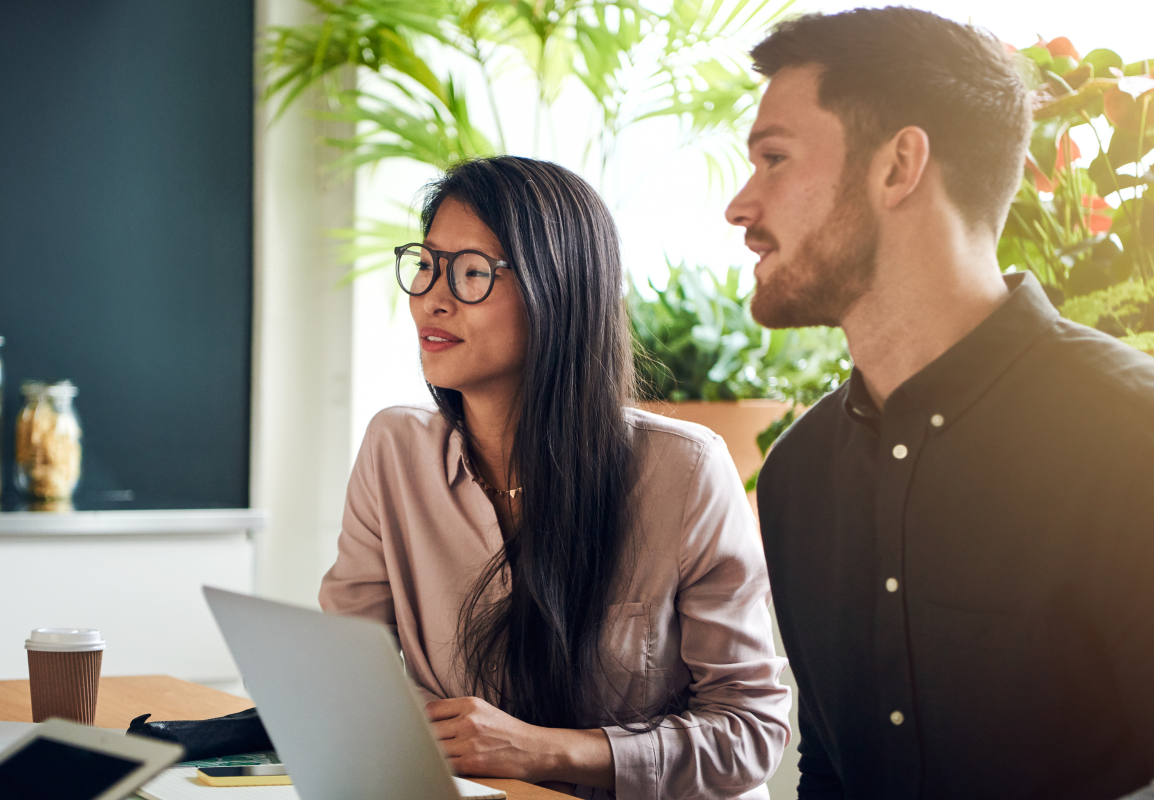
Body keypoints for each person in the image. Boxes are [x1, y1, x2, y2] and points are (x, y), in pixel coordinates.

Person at [725, 7, 1154, 799]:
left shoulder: (1134, 439)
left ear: (899, 165)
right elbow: (827, 771)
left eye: (774, 158)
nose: (741, 208)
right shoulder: (796, 478)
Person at [320, 156, 791, 799]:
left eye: (472, 273)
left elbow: (750, 732)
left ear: (558, 289)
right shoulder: (394, 450)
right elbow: (344, 675)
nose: (432, 297)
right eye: (426, 264)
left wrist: (545, 752)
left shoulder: (683, 470)